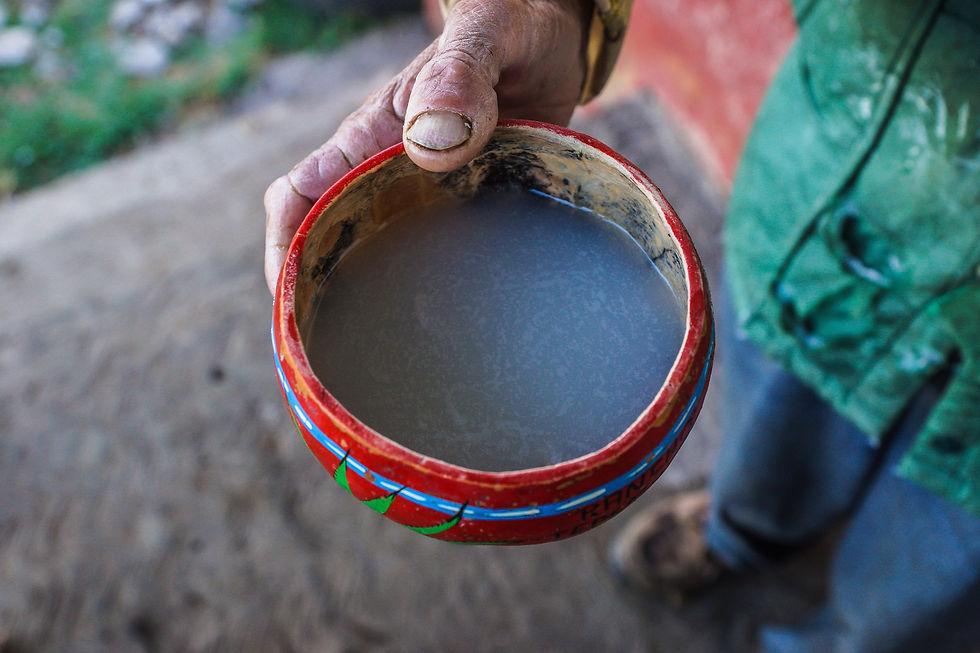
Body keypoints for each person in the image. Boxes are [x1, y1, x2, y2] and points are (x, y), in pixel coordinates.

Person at [263, 1, 980, 651]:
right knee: (774, 402)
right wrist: (552, 9)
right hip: (839, 154)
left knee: (936, 561)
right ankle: (739, 530)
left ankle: (847, 638)